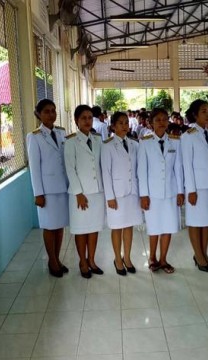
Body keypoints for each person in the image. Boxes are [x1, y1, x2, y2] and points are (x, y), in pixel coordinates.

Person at [138, 108, 184, 274]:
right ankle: (152, 257)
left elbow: (178, 168)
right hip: (153, 193)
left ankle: (163, 259)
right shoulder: (145, 142)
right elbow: (142, 171)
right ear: (151, 123)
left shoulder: (175, 142)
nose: (162, 122)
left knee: (168, 226)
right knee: (154, 227)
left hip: (171, 192)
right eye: (157, 120)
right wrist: (143, 195)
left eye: (164, 119)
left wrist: (180, 191)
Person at [27, 99, 70, 278]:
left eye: (53, 110)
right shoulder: (34, 137)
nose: (51, 114)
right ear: (38, 114)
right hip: (47, 191)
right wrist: (38, 193)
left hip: (63, 187)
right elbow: (34, 168)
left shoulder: (62, 133)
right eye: (46, 111)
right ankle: (52, 261)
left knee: (59, 226)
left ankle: (57, 259)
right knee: (49, 227)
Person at [64, 105, 105, 279]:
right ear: (76, 121)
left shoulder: (98, 140)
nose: (87, 121)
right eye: (83, 118)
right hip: (79, 194)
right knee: (81, 230)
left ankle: (92, 260)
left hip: (97, 192)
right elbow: (70, 169)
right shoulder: (71, 142)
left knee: (94, 228)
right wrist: (79, 193)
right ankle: (82, 262)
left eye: (89, 118)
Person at [182, 99, 208, 272]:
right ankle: (198, 255)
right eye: (204, 111)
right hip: (196, 187)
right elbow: (187, 164)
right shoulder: (188, 136)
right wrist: (191, 190)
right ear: (195, 115)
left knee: (206, 221)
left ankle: (204, 254)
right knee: (195, 222)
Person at [101, 112, 142, 275]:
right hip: (116, 195)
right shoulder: (107, 146)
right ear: (113, 126)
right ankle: (118, 259)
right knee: (117, 227)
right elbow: (106, 173)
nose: (125, 126)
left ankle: (127, 258)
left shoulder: (134, 144)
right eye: (120, 123)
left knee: (129, 226)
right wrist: (110, 197)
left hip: (132, 192)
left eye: (126, 123)